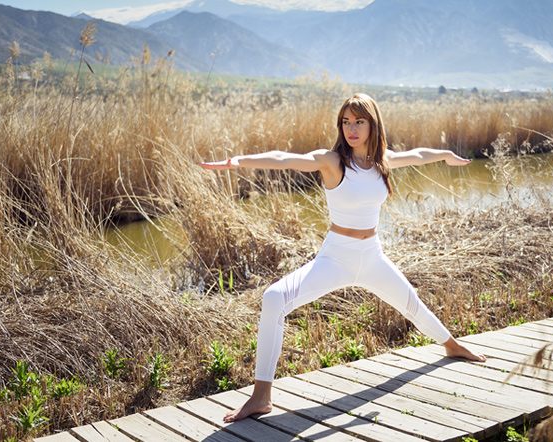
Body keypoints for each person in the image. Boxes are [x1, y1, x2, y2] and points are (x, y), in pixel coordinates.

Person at [201, 93, 486, 423]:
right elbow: (284, 158)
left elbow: (420, 155)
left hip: (373, 256)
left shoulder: (382, 162)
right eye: (346, 122)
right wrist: (237, 162)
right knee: (274, 298)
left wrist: (446, 155)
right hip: (335, 258)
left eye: (359, 121)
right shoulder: (333, 161)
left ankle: (452, 345)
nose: (352, 128)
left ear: (372, 124)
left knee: (412, 304)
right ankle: (261, 397)